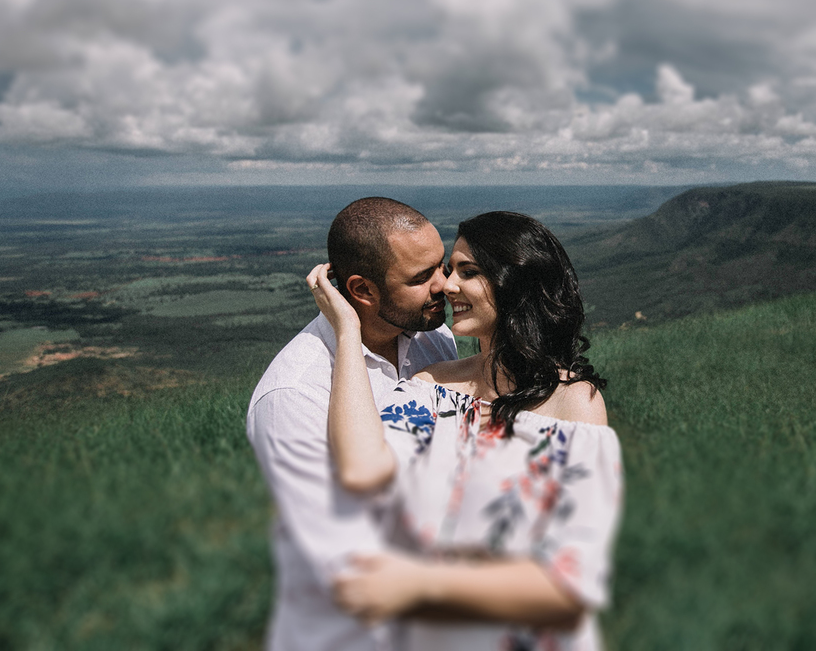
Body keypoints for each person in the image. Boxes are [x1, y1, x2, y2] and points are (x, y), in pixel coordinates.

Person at [306, 211, 623, 651]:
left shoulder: (575, 402)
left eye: (468, 272)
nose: (447, 286)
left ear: (514, 281)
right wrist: (347, 331)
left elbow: (569, 588)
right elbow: (360, 469)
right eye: (449, 270)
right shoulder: (433, 386)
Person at [246, 197, 457, 651]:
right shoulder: (295, 396)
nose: (446, 285)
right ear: (362, 291)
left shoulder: (434, 339)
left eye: (441, 266)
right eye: (422, 277)